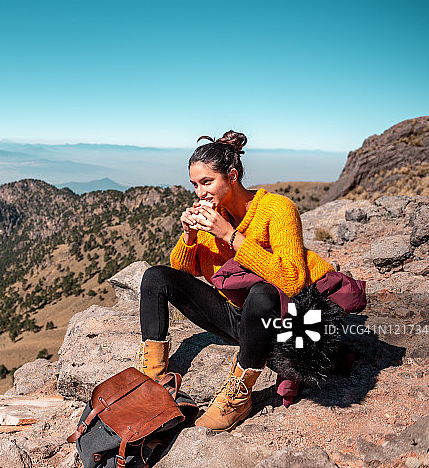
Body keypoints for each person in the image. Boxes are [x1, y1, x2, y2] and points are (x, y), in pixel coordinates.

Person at [135, 130, 335, 432]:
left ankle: (240, 395)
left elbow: (293, 280)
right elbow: (184, 270)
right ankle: (151, 375)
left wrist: (230, 235)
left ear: (232, 175)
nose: (200, 192)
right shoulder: (213, 212)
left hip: (275, 322)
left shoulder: (277, 209)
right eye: (195, 184)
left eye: (206, 182)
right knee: (155, 277)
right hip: (235, 318)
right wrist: (189, 236)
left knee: (261, 292)